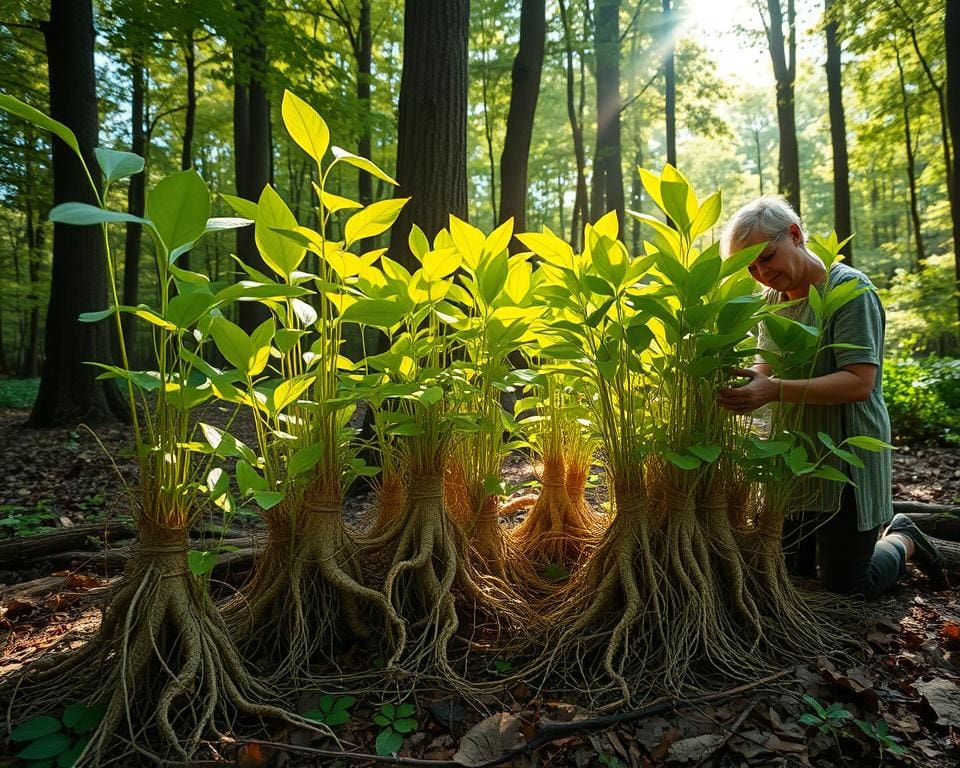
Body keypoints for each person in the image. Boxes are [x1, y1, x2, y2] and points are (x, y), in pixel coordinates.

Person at [716, 196, 945, 598]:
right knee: (788, 570)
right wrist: (744, 387)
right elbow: (765, 368)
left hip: (845, 455)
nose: (762, 273)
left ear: (795, 234)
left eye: (766, 257)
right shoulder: (771, 301)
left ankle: (904, 536)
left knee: (846, 585)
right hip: (793, 455)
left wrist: (772, 389)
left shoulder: (850, 291)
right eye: (750, 267)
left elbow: (859, 382)